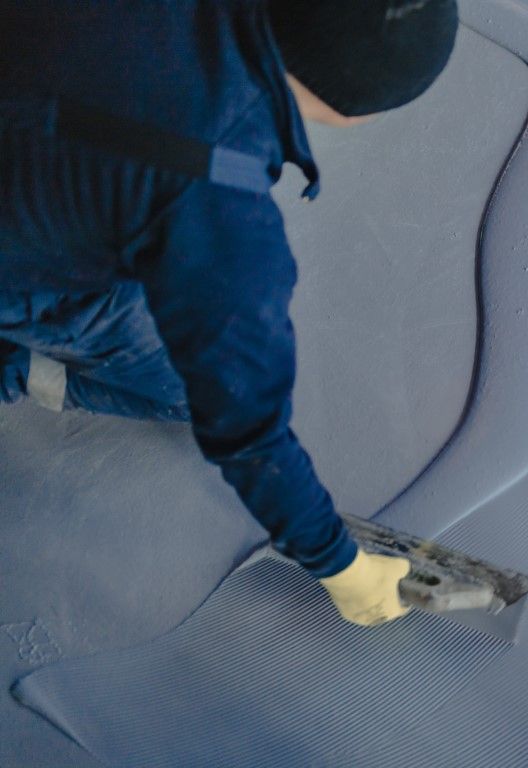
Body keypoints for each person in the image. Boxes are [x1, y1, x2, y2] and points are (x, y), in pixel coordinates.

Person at [0, 0, 459, 626]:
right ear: (357, 113)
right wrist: (341, 565)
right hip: (25, 267)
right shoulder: (219, 207)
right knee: (186, 391)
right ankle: (16, 366)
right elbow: (247, 430)